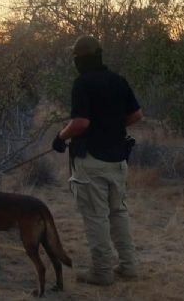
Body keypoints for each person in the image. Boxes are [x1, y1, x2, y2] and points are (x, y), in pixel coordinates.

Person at [52, 35, 143, 286]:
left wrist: (60, 137)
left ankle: (102, 271)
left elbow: (81, 122)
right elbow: (136, 114)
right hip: (118, 159)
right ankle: (128, 265)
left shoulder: (82, 83)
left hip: (92, 159)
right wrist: (112, 126)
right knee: (118, 212)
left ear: (79, 60)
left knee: (95, 216)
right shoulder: (118, 80)